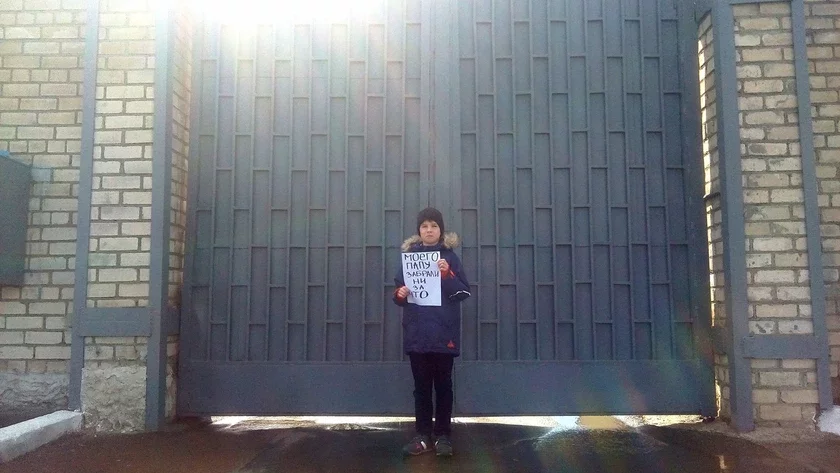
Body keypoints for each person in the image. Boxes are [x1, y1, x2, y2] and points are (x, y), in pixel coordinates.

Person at [393, 207, 471, 457]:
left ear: (441, 230)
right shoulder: (409, 258)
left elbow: (463, 292)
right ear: (419, 231)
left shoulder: (450, 258)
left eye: (434, 226)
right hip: (417, 335)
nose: (429, 230)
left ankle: (443, 436)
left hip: (443, 336)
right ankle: (422, 436)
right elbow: (399, 292)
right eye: (424, 226)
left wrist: (447, 274)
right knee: (422, 389)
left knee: (444, 388)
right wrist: (400, 294)